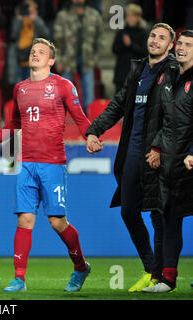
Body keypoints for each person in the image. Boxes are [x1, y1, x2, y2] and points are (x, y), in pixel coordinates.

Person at [0, 38, 91, 292]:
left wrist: (91, 135)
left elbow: (79, 117)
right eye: (33, 51)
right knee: (24, 220)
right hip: (26, 164)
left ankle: (80, 267)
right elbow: (13, 124)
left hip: (53, 163)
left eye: (41, 52)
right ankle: (19, 279)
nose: (35, 54)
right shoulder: (20, 88)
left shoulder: (63, 85)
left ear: (51, 61)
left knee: (57, 222)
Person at [85, 23, 178, 292]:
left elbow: (174, 115)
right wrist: (94, 130)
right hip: (132, 153)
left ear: (170, 45)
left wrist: (160, 147)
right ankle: (151, 269)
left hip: (157, 154)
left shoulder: (172, 72)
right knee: (128, 211)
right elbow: (118, 104)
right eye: (153, 36)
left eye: (162, 38)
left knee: (158, 215)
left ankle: (162, 276)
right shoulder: (138, 69)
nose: (155, 41)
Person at [142, 30, 193, 293]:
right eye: (180, 43)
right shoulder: (171, 78)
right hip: (173, 162)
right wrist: (156, 147)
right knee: (171, 217)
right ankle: (167, 279)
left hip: (189, 159)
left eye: (188, 44)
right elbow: (167, 121)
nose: (182, 47)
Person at [53, 0, 103, 113]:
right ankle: (61, 126)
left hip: (87, 60)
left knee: (89, 98)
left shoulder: (94, 15)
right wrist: (59, 60)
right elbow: (57, 41)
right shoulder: (63, 15)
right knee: (63, 96)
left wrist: (95, 59)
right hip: (67, 60)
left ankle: (87, 126)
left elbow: (100, 39)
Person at [112, 3, 148, 93]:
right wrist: (125, 45)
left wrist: (130, 45)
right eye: (129, 16)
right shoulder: (121, 32)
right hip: (121, 73)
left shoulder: (143, 33)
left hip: (136, 74)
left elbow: (145, 51)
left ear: (139, 17)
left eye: (133, 16)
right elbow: (114, 49)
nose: (130, 18)